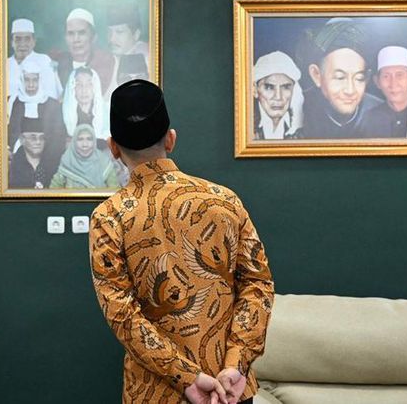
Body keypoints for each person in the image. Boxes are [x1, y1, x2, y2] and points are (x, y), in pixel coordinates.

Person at [90, 79, 274, 404]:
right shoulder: (225, 200)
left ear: (113, 148)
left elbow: (123, 315)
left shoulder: (109, 217)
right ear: (171, 139)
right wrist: (237, 364)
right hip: (231, 390)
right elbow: (258, 287)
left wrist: (187, 377)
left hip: (155, 393)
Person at [299, 18, 386, 138]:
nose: (350, 90)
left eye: (359, 78)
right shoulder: (297, 108)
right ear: (316, 75)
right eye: (340, 78)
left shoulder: (383, 113)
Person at [7, 60, 66, 161]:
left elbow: (58, 137)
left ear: (40, 80)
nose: (31, 84)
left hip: (47, 158)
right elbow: (8, 132)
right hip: (17, 157)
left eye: (34, 80)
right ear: (22, 80)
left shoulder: (52, 105)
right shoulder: (13, 103)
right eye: (27, 80)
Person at [53, 8, 115, 91]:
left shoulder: (108, 63)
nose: (76, 39)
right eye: (71, 34)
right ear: (65, 38)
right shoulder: (58, 63)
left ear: (93, 37)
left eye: (82, 33)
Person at [6, 18, 62, 106]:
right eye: (18, 39)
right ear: (11, 42)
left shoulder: (44, 60)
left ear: (34, 42)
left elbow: (52, 96)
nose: (22, 44)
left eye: (27, 39)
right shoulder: (5, 65)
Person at [370, 45, 407, 138]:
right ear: (377, 82)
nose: (393, 84)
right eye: (386, 76)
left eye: (399, 75)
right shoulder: (369, 119)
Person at [252, 51, 303, 140]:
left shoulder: (302, 129)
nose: (278, 97)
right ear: (255, 90)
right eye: (269, 87)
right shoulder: (243, 126)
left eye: (286, 87)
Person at [50, 124, 119, 189]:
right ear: (74, 142)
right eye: (80, 139)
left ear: (94, 141)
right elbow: (53, 192)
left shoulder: (104, 162)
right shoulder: (67, 161)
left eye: (89, 139)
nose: (85, 144)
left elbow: (115, 192)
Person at [8, 116, 59, 189]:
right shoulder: (11, 167)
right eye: (33, 137)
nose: (38, 142)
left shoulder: (54, 165)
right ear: (22, 139)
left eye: (41, 138)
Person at [62, 67, 110, 140]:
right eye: (79, 84)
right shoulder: (62, 114)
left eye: (89, 84)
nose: (84, 90)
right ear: (72, 88)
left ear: (95, 87)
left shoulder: (107, 112)